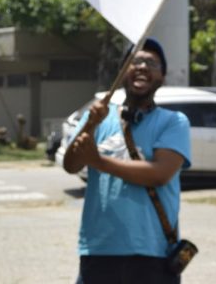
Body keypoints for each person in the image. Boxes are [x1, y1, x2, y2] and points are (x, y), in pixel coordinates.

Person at [63, 38, 192, 284]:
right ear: (122, 73)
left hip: (153, 254)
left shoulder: (174, 121)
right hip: (99, 249)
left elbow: (159, 174)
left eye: (152, 63)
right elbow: (71, 165)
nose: (143, 67)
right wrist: (90, 124)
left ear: (162, 77)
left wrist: (98, 161)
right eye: (135, 61)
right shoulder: (99, 116)